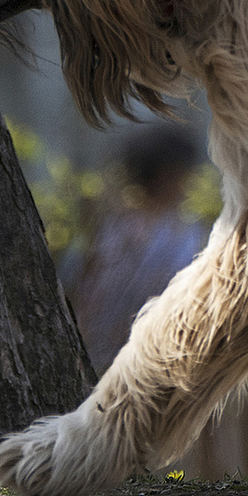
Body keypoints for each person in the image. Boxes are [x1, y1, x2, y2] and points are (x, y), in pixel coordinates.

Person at [72, 122, 209, 370]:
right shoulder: (180, 237)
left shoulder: (107, 228)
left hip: (113, 363)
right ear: (167, 175)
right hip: (134, 365)